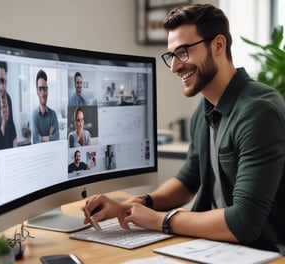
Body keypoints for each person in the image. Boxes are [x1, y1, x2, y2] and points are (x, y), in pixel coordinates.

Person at [82, 4, 285, 253]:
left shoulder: (259, 111)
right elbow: (188, 181)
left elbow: (244, 222)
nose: (174, 67)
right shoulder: (205, 108)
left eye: (184, 52)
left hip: (264, 252)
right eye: (171, 55)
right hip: (214, 247)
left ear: (218, 46)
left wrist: (160, 220)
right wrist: (133, 204)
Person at [0, 60, 17, 150]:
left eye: (3, 81)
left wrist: (15, 140)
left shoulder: (8, 99)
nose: (2, 87)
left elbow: (11, 122)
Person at [32, 69, 60, 144]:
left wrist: (41, 138)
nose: (43, 93)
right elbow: (35, 140)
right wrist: (50, 136)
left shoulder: (53, 114)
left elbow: (57, 137)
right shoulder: (34, 115)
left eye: (45, 89)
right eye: (40, 89)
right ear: (37, 91)